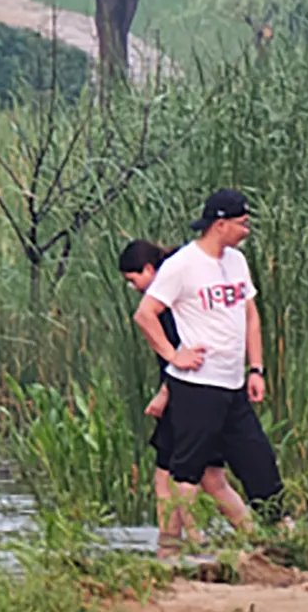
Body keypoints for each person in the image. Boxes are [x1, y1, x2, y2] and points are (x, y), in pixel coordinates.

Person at [135, 189, 282, 527]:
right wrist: (174, 355)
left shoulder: (236, 262)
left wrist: (256, 368)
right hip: (197, 385)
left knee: (259, 463)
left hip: (234, 384)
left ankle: (280, 537)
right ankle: (173, 551)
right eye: (241, 224)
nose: (246, 231)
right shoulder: (182, 265)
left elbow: (251, 316)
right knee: (186, 471)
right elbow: (146, 314)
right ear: (219, 224)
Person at [118, 239, 244, 552]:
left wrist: (165, 393)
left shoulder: (167, 304)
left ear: (149, 269)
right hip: (205, 394)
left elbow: (182, 354)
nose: (134, 288)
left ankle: (174, 546)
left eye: (134, 281)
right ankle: (256, 538)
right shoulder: (180, 292)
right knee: (213, 479)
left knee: (168, 478)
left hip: (187, 397)